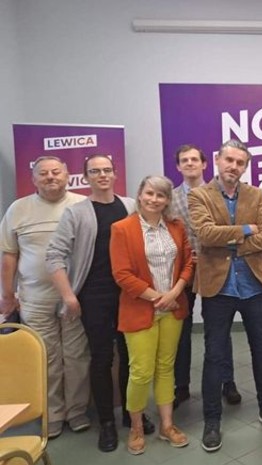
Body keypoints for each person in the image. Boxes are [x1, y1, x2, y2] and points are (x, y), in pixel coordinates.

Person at [46, 155, 154, 452]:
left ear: (115, 173)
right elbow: (54, 255)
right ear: (85, 177)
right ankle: (106, 422)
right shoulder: (76, 212)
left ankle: (132, 414)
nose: (102, 175)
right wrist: (69, 295)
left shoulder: (130, 206)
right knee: (102, 357)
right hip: (94, 295)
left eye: (107, 170)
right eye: (95, 171)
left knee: (132, 356)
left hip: (129, 293)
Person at [188, 139, 262, 453]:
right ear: (217, 159)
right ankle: (212, 420)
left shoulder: (255, 194)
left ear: (246, 166)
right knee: (214, 355)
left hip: (255, 285)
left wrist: (230, 242)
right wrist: (246, 229)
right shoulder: (199, 195)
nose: (233, 166)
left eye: (240, 162)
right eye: (229, 160)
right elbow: (205, 234)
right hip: (218, 288)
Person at [0, 156, 89, 439]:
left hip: (75, 296)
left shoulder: (83, 205)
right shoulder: (18, 209)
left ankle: (77, 411)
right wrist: (7, 294)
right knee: (46, 357)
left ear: (67, 175)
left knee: (76, 356)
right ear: (34, 179)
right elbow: (9, 256)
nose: (50, 177)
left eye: (56, 172)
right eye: (44, 173)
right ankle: (53, 415)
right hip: (35, 299)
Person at [110, 175, 194, 455]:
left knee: (165, 367)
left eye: (160, 195)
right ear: (140, 194)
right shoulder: (122, 228)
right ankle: (135, 426)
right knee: (141, 371)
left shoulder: (176, 226)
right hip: (140, 309)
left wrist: (175, 293)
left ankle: (167, 425)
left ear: (167, 200)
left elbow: (188, 263)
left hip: (173, 308)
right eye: (149, 193)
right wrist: (158, 298)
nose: (154, 199)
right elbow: (122, 274)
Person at [169, 144, 240, 409]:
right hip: (182, 271)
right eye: (184, 160)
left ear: (205, 164)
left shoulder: (221, 193)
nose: (189, 163)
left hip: (216, 266)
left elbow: (227, 228)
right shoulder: (170, 198)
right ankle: (181, 385)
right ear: (178, 166)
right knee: (182, 329)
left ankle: (227, 381)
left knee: (218, 329)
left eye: (194, 159)